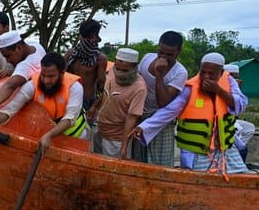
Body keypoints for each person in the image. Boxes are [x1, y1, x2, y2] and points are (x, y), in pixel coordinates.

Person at [133, 53, 249, 174]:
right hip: (196, 153)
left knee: (239, 180)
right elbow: (169, 111)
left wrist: (218, 90)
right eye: (203, 72)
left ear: (221, 73)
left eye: (211, 74)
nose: (206, 77)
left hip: (224, 152)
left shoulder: (230, 82)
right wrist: (144, 127)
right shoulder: (190, 88)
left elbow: (240, 104)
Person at [0, 52, 88, 149]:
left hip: (76, 137)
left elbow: (70, 118)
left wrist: (49, 135)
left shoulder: (75, 87)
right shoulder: (32, 85)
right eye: (43, 75)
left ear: (62, 74)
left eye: (51, 76)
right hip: (45, 136)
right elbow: (10, 109)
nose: (46, 81)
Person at [134, 31, 188, 166]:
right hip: (139, 115)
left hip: (160, 121)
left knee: (159, 163)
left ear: (178, 52)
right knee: (138, 158)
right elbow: (136, 84)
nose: (164, 57)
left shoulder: (180, 72)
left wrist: (159, 74)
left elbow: (163, 102)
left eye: (169, 54)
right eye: (161, 52)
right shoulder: (147, 59)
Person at [87, 48, 147, 159]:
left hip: (116, 140)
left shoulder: (139, 88)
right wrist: (95, 106)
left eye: (124, 71)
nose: (119, 74)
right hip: (99, 130)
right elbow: (107, 92)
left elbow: (131, 119)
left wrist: (123, 147)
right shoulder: (112, 72)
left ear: (134, 67)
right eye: (117, 69)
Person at [0, 30, 47, 123]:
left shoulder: (26, 66)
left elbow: (10, 85)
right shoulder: (35, 45)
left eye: (8, 56)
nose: (7, 61)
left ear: (18, 48)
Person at [65, 19, 107, 113]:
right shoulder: (71, 54)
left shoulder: (100, 59)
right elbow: (62, 75)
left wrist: (95, 106)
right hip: (69, 98)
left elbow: (102, 86)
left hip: (87, 101)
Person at [224, 64, 255, 162]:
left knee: (249, 128)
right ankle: (237, 159)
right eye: (235, 77)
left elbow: (241, 106)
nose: (237, 79)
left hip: (232, 119)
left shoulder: (234, 86)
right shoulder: (222, 84)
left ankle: (235, 150)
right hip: (223, 122)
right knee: (242, 146)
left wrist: (237, 88)